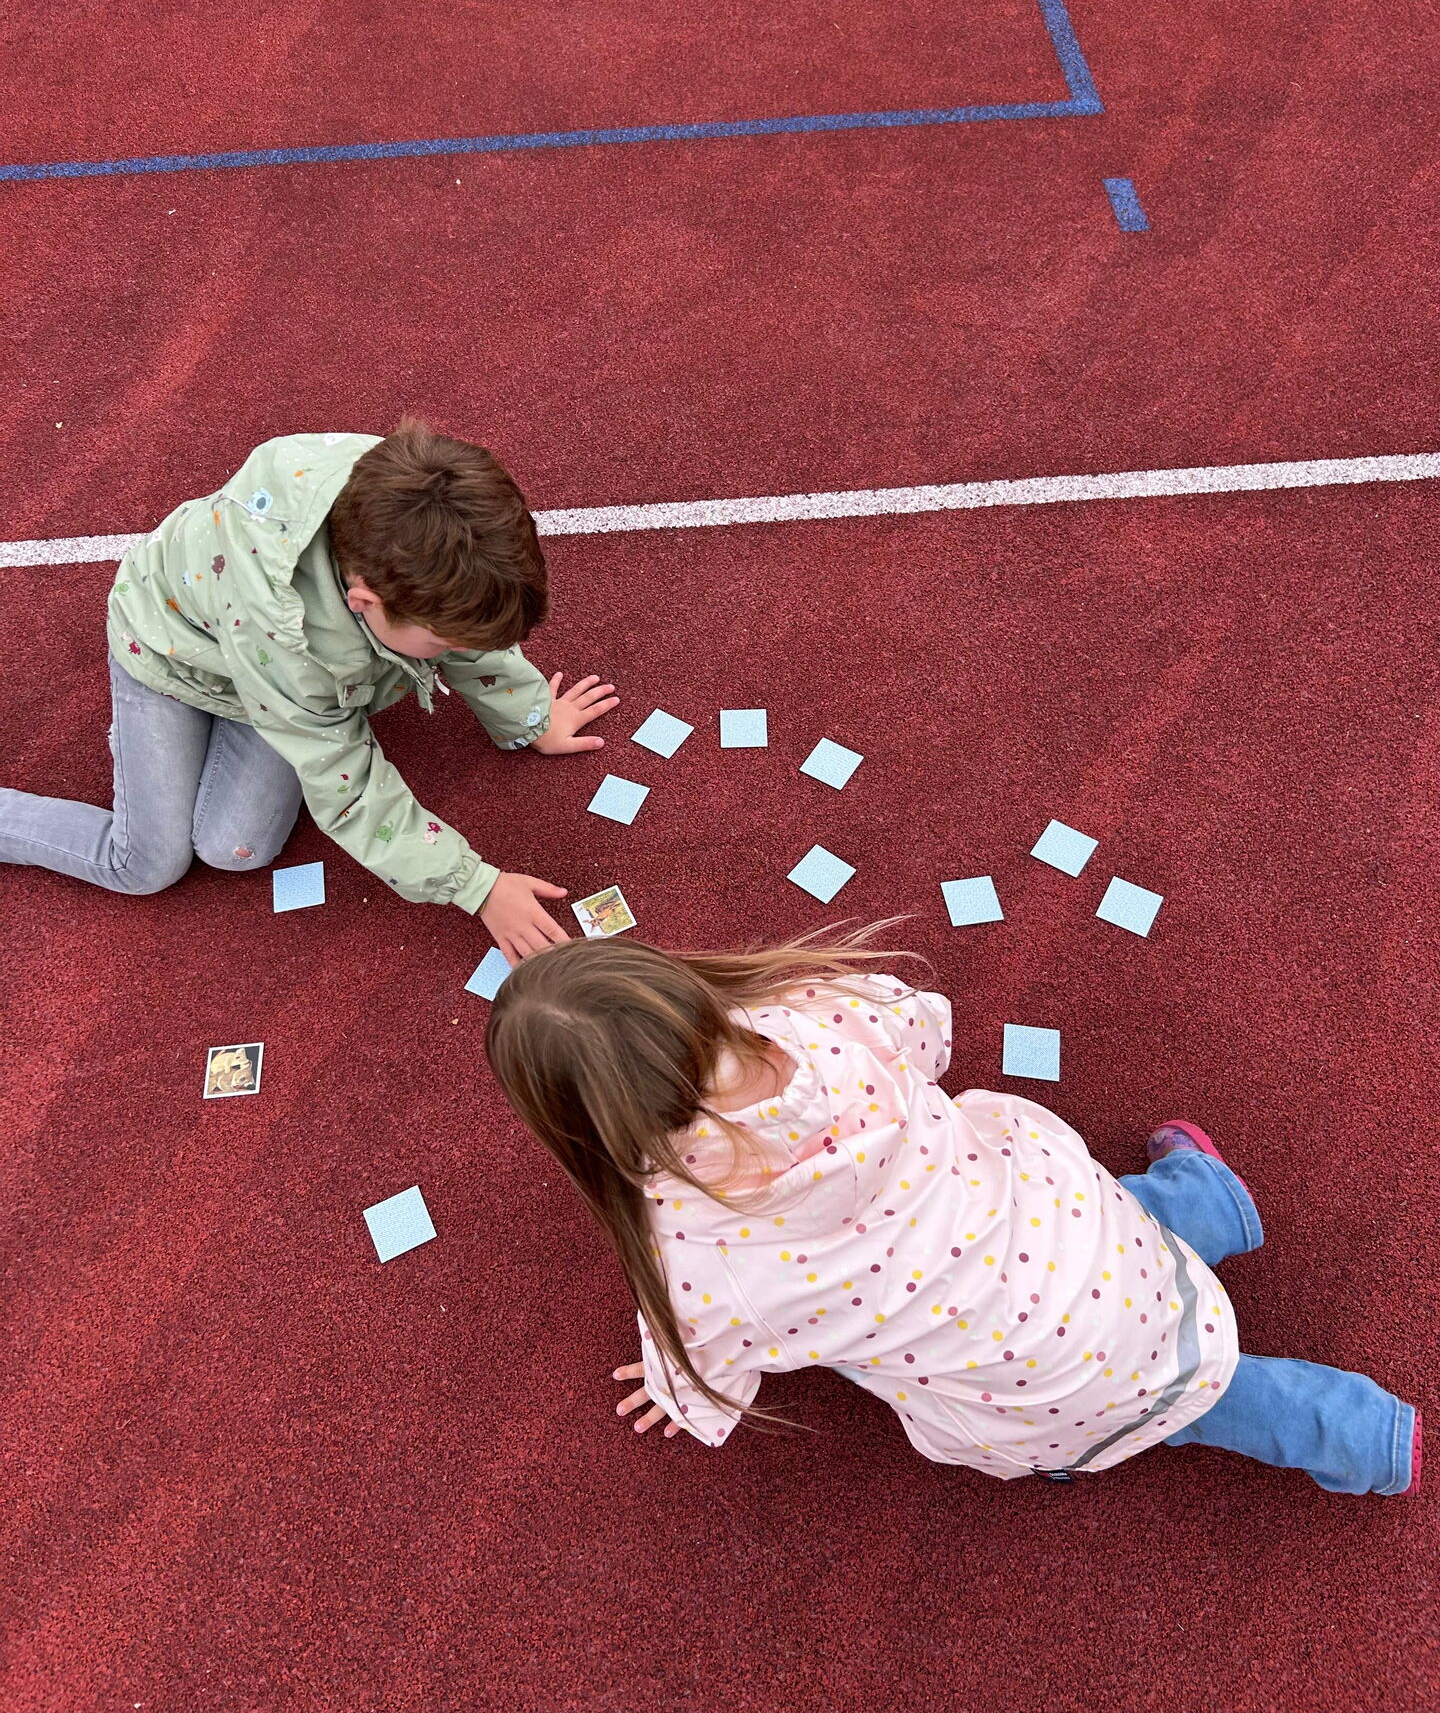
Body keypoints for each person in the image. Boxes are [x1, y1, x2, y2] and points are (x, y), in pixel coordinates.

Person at [485, 928, 1420, 1494]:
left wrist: (676, 1390)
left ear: (587, 1130)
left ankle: (1365, 1436)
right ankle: (1203, 1202)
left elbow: (705, 1355)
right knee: (1063, 1221)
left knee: (1201, 1395)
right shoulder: (817, 1010)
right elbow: (926, 1029)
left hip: (1060, 1381)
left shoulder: (696, 1257)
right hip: (1070, 1218)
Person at [0, 419, 616, 961]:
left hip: (260, 672)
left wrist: (530, 719)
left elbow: (469, 629)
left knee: (233, 849)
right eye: (440, 645)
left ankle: (222, 732)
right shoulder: (296, 650)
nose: (453, 653)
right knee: (146, 865)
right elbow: (348, 784)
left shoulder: (411, 507)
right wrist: (475, 886)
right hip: (170, 658)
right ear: (366, 600)